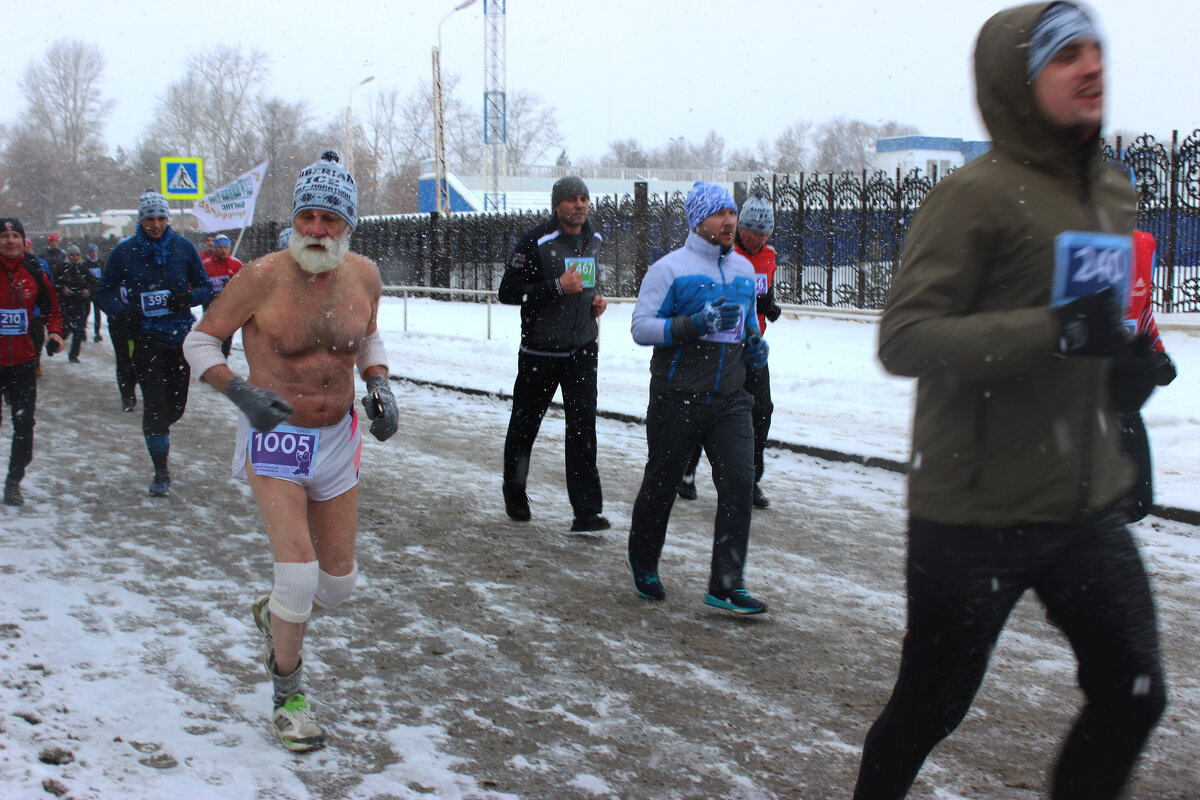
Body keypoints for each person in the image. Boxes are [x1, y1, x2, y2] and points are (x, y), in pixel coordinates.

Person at [853, 5, 1167, 798]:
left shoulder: (1113, 191)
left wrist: (1129, 363)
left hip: (1084, 501)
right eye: (1066, 56)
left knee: (1135, 692)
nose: (1092, 67)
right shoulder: (974, 197)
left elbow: (1102, 321)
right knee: (929, 709)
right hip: (975, 511)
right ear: (1017, 84)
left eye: (1096, 50)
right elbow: (907, 337)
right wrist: (1055, 330)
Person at [183, 151, 399, 753]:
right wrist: (242, 393)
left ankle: (276, 611)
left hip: (338, 439)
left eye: (330, 218)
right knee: (299, 574)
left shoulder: (365, 275)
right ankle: (289, 697)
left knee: (337, 585)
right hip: (275, 436)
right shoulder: (260, 276)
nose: (317, 229)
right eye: (307, 215)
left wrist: (378, 382)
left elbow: (367, 334)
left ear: (348, 225)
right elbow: (199, 341)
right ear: (293, 218)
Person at [625, 181, 770, 616]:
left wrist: (755, 346)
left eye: (731, 213)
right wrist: (692, 324)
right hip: (677, 396)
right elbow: (640, 327)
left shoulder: (744, 271)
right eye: (719, 213)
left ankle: (726, 584)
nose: (729, 221)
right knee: (663, 483)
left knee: (739, 484)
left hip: (730, 397)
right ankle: (644, 559)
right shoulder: (668, 270)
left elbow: (746, 325)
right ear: (698, 220)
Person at [497, 175, 610, 532]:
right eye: (572, 199)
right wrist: (556, 288)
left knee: (582, 430)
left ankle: (586, 511)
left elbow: (588, 281)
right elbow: (508, 291)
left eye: (584, 198)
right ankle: (515, 491)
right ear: (557, 205)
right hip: (540, 352)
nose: (579, 205)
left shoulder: (594, 238)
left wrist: (594, 300)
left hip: (582, 349)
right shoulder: (535, 241)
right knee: (525, 425)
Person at [98, 191, 212, 496]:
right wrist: (123, 313)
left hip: (179, 337)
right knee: (155, 405)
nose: (156, 224)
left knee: (175, 406)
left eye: (161, 217)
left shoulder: (183, 248)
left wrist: (187, 298)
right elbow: (104, 292)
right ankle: (161, 470)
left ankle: (160, 425)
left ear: (168, 219)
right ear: (141, 219)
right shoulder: (125, 252)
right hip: (144, 338)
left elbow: (204, 288)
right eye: (150, 218)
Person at [678, 190, 782, 508]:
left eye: (764, 233)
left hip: (750, 346)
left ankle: (750, 482)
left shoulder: (769, 256)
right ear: (741, 229)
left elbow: (762, 296)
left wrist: (769, 306)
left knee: (761, 409)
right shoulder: (725, 252)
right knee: (702, 410)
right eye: (752, 232)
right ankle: (685, 471)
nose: (757, 238)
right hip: (717, 346)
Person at [1, 218, 64, 506]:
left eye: (15, 235)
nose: (10, 240)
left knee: (24, 424)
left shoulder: (34, 270)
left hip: (25, 360)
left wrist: (54, 332)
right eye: (4, 236)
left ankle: (14, 480)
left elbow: (52, 308)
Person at [1116, 229, 1178, 521]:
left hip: (1122, 390)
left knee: (1136, 501)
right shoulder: (1065, 234)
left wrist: (1156, 350)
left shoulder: (1144, 243)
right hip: (1072, 388)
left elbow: (1142, 308)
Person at [200, 234, 244, 356]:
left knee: (226, 339)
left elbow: (245, 287)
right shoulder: (206, 265)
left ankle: (223, 360)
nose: (223, 250)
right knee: (212, 338)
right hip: (211, 308)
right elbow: (200, 286)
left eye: (226, 247)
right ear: (215, 248)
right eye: (220, 247)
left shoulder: (237, 264)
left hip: (230, 309)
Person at [53, 245, 94, 363]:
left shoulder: (83, 268)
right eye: (72, 255)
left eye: (77, 255)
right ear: (68, 256)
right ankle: (56, 343)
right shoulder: (61, 268)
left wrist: (87, 291)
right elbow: (55, 283)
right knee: (65, 328)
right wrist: (62, 289)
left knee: (79, 330)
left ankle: (74, 355)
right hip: (65, 303)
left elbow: (91, 283)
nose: (75, 257)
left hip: (79, 303)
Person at [23, 238, 54, 376]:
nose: (27, 249)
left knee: (37, 338)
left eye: (29, 247)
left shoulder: (41, 263)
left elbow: (49, 285)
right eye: (25, 247)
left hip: (35, 310)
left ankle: (36, 362)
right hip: (19, 310)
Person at [85, 243, 104, 341]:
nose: (94, 254)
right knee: (86, 311)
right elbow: (84, 278)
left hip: (97, 291)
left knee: (97, 313)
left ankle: (97, 333)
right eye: (92, 252)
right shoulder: (85, 263)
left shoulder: (100, 262)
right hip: (88, 291)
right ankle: (83, 330)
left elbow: (104, 275)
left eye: (95, 252)